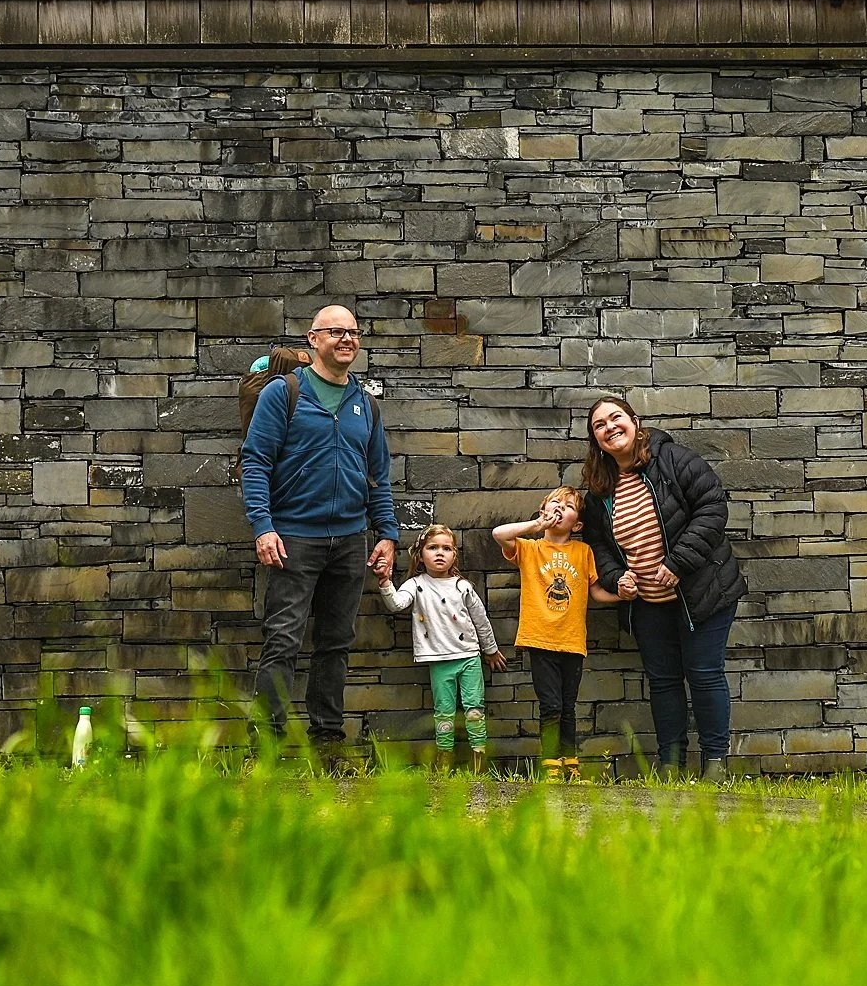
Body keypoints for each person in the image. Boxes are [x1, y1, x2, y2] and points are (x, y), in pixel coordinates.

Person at [240, 304, 397, 763]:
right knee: (283, 640)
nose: (347, 339)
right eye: (335, 332)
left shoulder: (366, 404)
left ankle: (327, 742)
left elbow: (378, 476)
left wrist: (387, 535)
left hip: (350, 541)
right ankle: (265, 747)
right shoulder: (283, 393)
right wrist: (263, 527)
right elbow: (255, 462)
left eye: (353, 332)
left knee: (336, 643)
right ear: (313, 339)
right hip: (293, 539)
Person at [581, 395, 747, 782]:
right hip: (647, 605)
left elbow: (712, 507)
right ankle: (671, 765)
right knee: (664, 682)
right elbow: (597, 545)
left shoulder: (673, 459)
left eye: (615, 418)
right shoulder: (599, 490)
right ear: (596, 440)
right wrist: (615, 579)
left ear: (635, 421)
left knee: (704, 674)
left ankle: (715, 765)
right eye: (599, 425)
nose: (609, 427)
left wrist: (677, 563)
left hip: (703, 593)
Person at [491, 485, 630, 781]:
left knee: (568, 706)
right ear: (543, 511)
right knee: (551, 705)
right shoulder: (529, 548)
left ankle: (570, 761)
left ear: (577, 525)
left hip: (572, 641)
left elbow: (596, 593)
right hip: (539, 639)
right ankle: (550, 762)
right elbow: (499, 534)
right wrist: (536, 525)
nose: (559, 509)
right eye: (554, 503)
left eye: (567, 507)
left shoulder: (583, 551)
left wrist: (623, 595)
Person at [376, 525, 506, 772]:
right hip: (439, 659)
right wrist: (385, 582)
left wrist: (490, 649)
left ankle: (479, 761)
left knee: (474, 709)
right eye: (432, 547)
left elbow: (480, 620)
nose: (439, 553)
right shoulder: (416, 585)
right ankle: (444, 760)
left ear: (454, 555)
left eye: (447, 548)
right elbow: (396, 604)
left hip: (469, 656)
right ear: (420, 555)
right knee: (444, 712)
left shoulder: (462, 586)